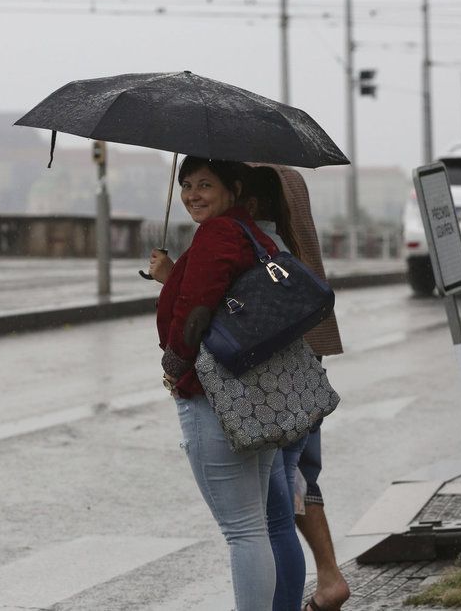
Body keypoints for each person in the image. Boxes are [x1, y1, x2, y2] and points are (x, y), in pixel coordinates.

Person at [149, 156, 282, 611]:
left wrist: (174, 367)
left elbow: (196, 312)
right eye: (186, 185)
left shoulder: (217, 234)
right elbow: (220, 296)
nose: (192, 195)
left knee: (242, 530)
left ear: (234, 188)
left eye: (205, 184)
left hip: (215, 394)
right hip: (253, 392)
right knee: (254, 526)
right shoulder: (248, 232)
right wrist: (173, 275)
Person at [259, 164, 352, 611]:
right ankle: (329, 577)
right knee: (299, 472)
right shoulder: (289, 174)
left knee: (274, 490)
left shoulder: (250, 178)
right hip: (306, 340)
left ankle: (293, 592)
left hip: (278, 349)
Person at [240, 165, 310, 611]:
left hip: (268, 400)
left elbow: (239, 322)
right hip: (289, 398)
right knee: (279, 519)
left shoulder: (253, 250)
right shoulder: (281, 245)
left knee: (274, 521)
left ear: (252, 201)